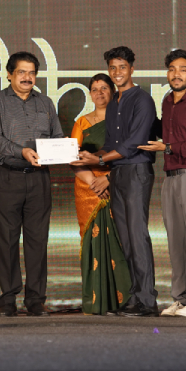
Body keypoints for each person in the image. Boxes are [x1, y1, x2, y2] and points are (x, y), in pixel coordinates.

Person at [73, 46, 159, 317]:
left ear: (132, 69)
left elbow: (135, 143)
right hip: (118, 174)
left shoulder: (142, 100)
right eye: (113, 67)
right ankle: (134, 298)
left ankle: (148, 301)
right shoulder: (114, 104)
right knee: (125, 239)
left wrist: (98, 160)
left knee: (137, 236)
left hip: (136, 172)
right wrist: (86, 155)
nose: (117, 72)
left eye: (122, 67)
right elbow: (110, 144)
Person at [139, 49, 186, 318]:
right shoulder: (167, 102)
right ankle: (181, 300)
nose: (176, 74)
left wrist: (168, 147)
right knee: (176, 242)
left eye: (183, 70)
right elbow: (163, 131)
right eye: (172, 69)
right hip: (171, 178)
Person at [0, 51, 64, 317]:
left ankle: (35, 299)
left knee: (38, 240)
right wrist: (21, 151)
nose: (27, 77)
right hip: (7, 176)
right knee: (7, 239)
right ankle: (7, 298)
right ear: (9, 74)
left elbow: (57, 136)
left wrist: (62, 151)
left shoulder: (46, 102)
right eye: (21, 72)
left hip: (39, 178)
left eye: (31, 73)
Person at [70, 74, 132, 315]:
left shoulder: (123, 120)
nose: (99, 93)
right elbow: (73, 159)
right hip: (88, 189)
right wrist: (94, 183)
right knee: (93, 242)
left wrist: (108, 179)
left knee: (121, 241)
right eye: (95, 89)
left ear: (112, 91)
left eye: (104, 88)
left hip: (117, 184)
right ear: (90, 94)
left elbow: (130, 155)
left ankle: (125, 301)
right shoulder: (82, 122)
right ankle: (96, 302)